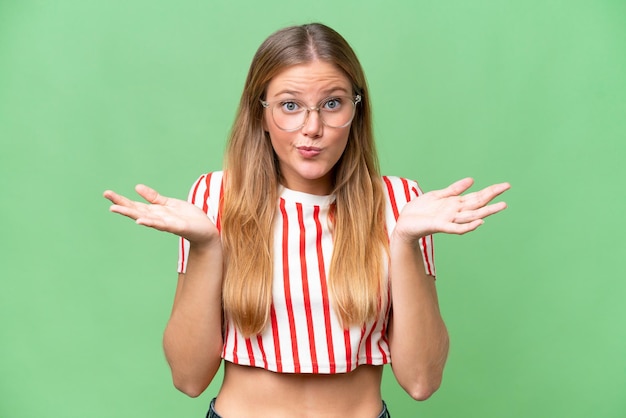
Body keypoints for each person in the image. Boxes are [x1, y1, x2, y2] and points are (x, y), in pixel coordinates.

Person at [103, 23, 510, 418]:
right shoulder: (214, 197)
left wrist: (404, 241)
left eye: (332, 103)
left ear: (356, 109)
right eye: (290, 105)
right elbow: (188, 379)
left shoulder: (402, 202)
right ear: (260, 112)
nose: (312, 128)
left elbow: (422, 381)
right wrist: (206, 246)